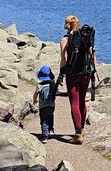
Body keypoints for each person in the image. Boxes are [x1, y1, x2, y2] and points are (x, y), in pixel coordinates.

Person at [60, 15, 96, 144]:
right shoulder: (85, 37)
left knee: (74, 102)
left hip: (72, 73)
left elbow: (63, 58)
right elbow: (92, 55)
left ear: (67, 25)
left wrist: (61, 72)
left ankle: (78, 133)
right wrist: (94, 71)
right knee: (82, 101)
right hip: (86, 72)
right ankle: (83, 128)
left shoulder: (65, 39)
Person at [32, 65, 55, 144]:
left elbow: (35, 94)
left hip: (43, 107)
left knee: (44, 121)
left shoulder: (39, 85)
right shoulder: (52, 85)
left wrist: (34, 100)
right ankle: (51, 129)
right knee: (50, 116)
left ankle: (45, 137)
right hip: (51, 106)